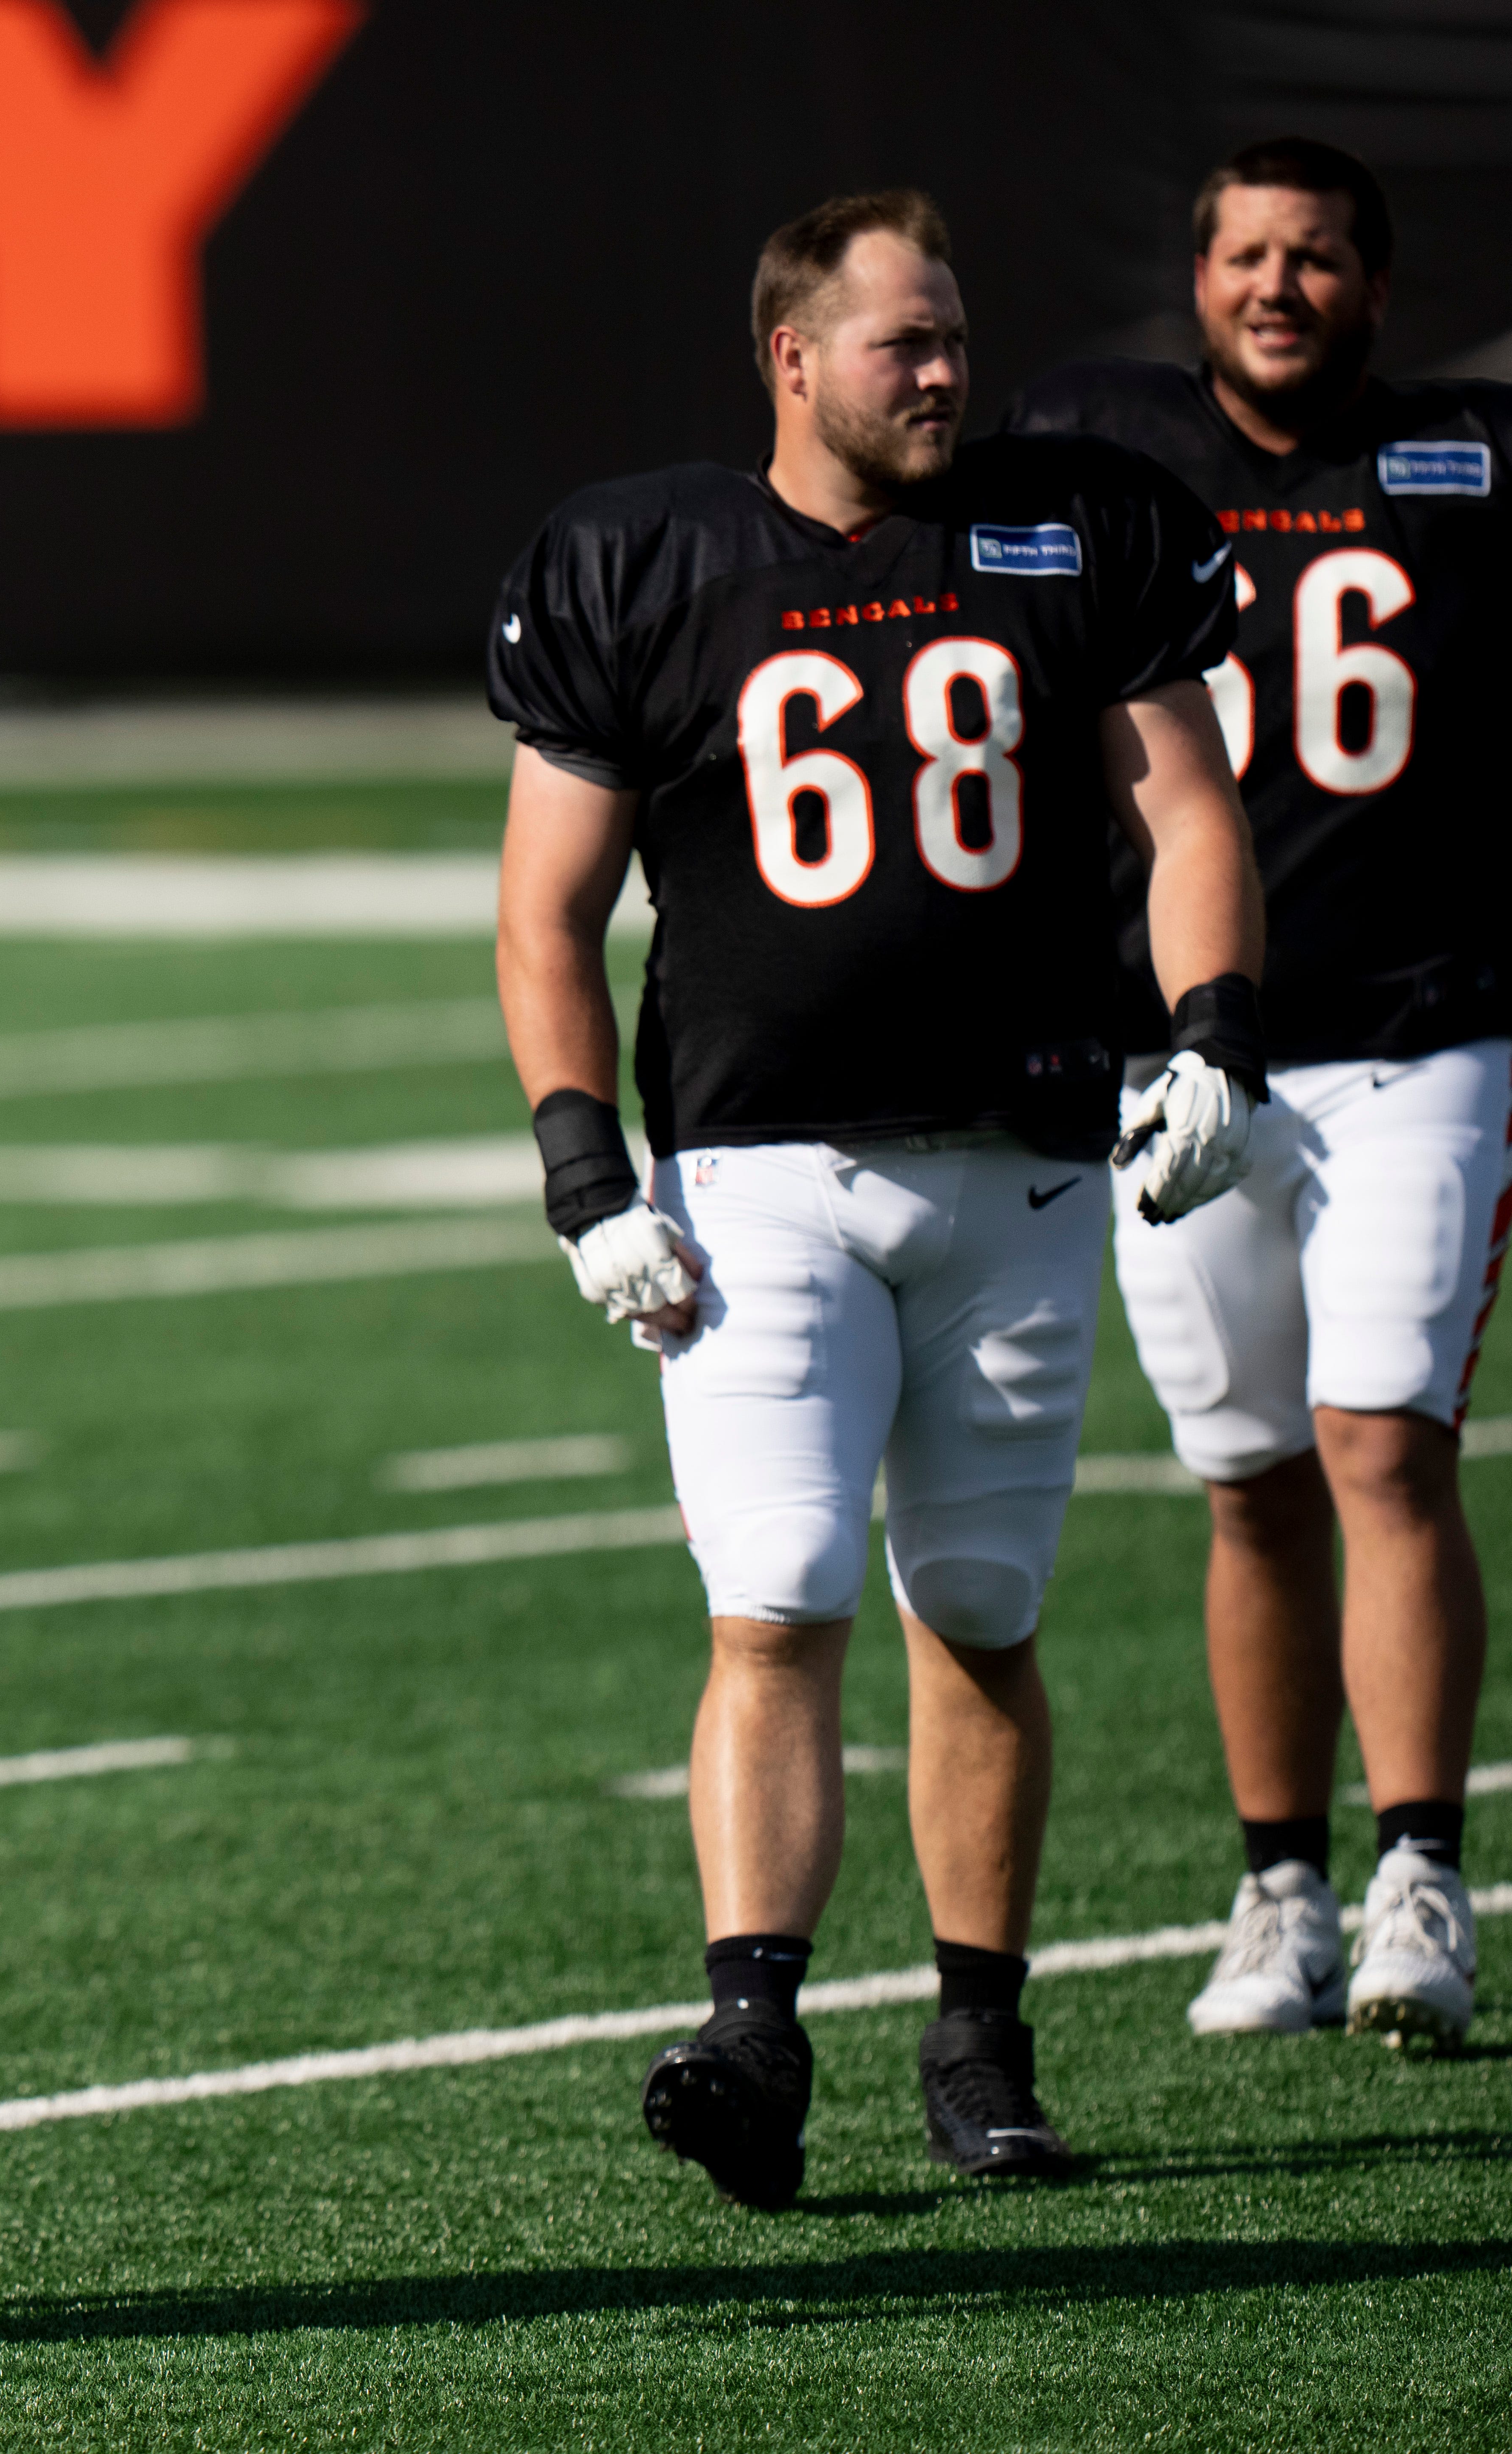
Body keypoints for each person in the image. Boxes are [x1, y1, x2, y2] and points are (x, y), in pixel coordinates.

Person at [490, 191, 1266, 2208]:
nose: (943, 371)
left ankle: (980, 2038)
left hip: (1013, 1162)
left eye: (952, 335)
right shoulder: (645, 558)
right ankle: (751, 2031)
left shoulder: (1061, 528)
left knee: (982, 1616)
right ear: (791, 359)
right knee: (774, 1605)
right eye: (902, 341)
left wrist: (1213, 1035)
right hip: (758, 1180)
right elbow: (545, 911)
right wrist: (587, 1176)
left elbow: (1182, 801)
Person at [1010, 138, 1494, 2052]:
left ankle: (1421, 1874)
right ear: (1192, 280)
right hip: (1183, 1058)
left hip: (1425, 1034)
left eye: (1316, 258)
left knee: (1384, 1444)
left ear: (1381, 286)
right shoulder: (1091, 446)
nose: (1278, 286)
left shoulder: (1473, 458)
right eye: (1245, 256)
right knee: (1251, 1484)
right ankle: (1278, 1884)